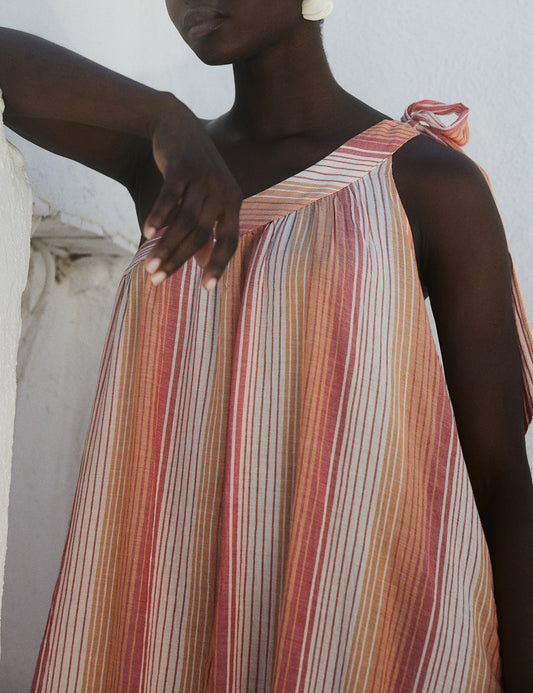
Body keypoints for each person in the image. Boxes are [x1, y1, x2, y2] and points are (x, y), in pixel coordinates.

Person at [1, 0, 532, 690]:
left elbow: (500, 472)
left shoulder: (426, 180)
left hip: (367, 628)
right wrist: (163, 116)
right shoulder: (167, 168)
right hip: (176, 625)